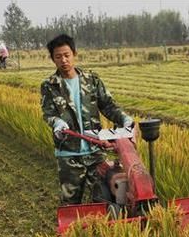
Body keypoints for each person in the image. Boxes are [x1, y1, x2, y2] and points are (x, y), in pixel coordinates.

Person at [40, 34, 134, 205]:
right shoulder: (49, 85)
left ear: (74, 54)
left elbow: (108, 106)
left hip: (94, 150)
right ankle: (73, 230)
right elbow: (48, 114)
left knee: (103, 198)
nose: (64, 60)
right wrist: (57, 123)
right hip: (68, 154)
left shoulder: (91, 80)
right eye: (58, 56)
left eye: (67, 55)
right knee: (71, 202)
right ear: (53, 59)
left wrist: (125, 119)